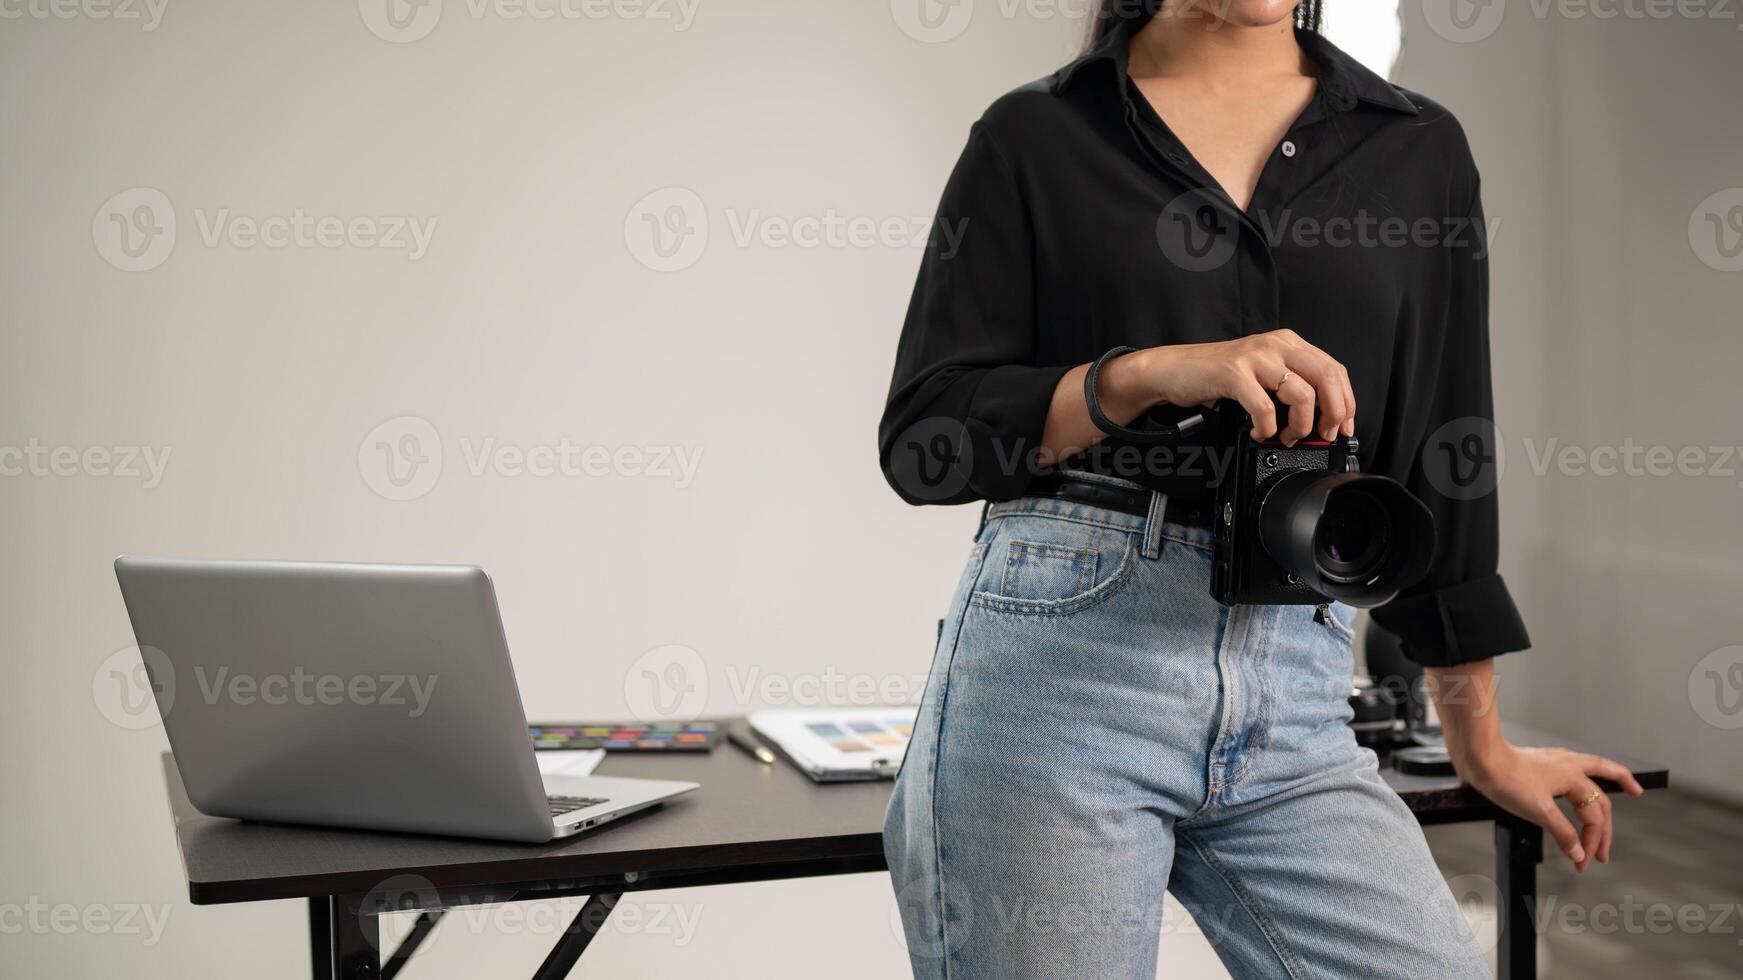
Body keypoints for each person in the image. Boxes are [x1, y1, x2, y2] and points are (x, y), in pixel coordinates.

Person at [878, 1, 1645, 976]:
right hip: (1062, 676)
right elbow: (928, 435)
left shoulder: (1418, 148)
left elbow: (1443, 453)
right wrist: (1144, 374)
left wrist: (1481, 740)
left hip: (1299, 686)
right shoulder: (1034, 137)